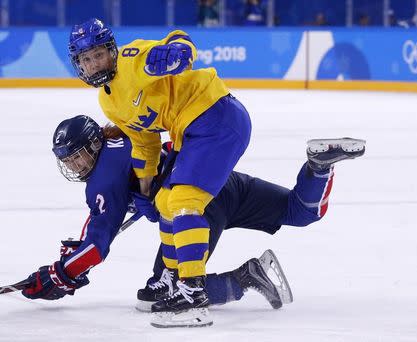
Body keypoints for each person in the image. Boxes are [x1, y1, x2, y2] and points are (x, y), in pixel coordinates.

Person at [21, 115, 365, 327]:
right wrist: (76, 255)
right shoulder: (120, 136)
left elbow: (98, 244)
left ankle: (246, 278)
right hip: (218, 181)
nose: (76, 166)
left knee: (162, 292)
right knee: (300, 211)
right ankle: (319, 167)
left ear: (95, 145)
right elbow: (97, 225)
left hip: (192, 210)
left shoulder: (102, 178)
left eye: (79, 156)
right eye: (69, 161)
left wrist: (62, 273)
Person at [67, 18, 252, 321]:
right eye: (86, 59)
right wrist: (145, 191)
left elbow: (183, 50)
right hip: (189, 132)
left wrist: (178, 49)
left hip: (216, 116)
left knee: (182, 202)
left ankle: (193, 291)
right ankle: (171, 278)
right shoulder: (108, 102)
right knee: (164, 202)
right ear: (79, 65)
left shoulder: (132, 60)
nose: (94, 64)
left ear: (111, 51)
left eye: (98, 54)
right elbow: (145, 146)